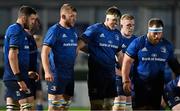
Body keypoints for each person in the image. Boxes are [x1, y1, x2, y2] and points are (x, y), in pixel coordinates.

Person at [121, 18, 180, 110]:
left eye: (159, 33)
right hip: (139, 87)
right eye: (154, 33)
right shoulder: (138, 43)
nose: (157, 36)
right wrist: (125, 81)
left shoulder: (167, 45)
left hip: (157, 88)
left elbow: (175, 67)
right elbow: (126, 61)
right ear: (149, 31)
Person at [77, 6, 122, 110]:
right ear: (107, 19)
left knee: (109, 105)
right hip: (96, 76)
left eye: (118, 21)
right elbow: (80, 44)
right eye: (114, 20)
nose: (116, 23)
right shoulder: (95, 29)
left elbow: (119, 54)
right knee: (97, 106)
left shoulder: (117, 34)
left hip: (111, 76)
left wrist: (124, 72)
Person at [41, 3, 77, 111]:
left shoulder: (73, 31)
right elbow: (44, 52)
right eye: (71, 16)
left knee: (65, 107)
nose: (74, 19)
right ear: (63, 16)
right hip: (56, 74)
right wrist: (47, 71)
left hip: (69, 74)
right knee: (54, 107)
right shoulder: (54, 30)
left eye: (75, 16)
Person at [3, 5, 38, 111]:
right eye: (32, 19)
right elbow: (12, 55)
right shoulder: (15, 30)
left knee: (22, 106)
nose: (33, 22)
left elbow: (20, 56)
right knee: (27, 106)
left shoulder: (23, 33)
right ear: (23, 18)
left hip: (21, 76)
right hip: (14, 78)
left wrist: (28, 72)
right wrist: (19, 78)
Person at [113, 14, 137, 111]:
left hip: (131, 79)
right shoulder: (115, 38)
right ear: (121, 25)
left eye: (133, 25)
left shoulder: (137, 41)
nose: (131, 28)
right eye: (128, 25)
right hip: (117, 76)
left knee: (128, 108)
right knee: (119, 106)